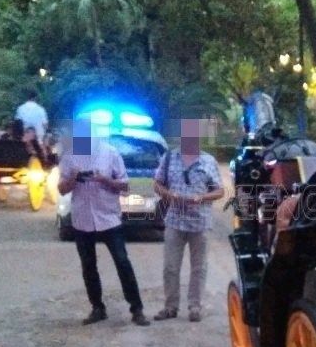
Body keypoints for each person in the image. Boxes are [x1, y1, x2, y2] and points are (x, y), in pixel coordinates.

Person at [57, 117, 150, 326]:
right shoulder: (70, 156)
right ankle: (97, 308)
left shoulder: (109, 153)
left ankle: (137, 308)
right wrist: (73, 178)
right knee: (88, 265)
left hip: (108, 217)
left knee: (122, 262)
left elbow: (124, 185)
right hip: (82, 219)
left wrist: (104, 180)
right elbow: (61, 189)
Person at [152, 117, 224, 322]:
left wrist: (202, 198)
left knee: (199, 267)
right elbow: (157, 184)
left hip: (200, 222)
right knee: (170, 267)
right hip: (175, 220)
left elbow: (220, 191)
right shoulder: (169, 158)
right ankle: (170, 307)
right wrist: (169, 195)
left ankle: (195, 307)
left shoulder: (208, 161)